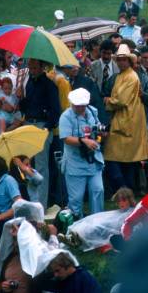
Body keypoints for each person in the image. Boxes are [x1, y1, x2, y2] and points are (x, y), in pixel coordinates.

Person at [104, 45, 148, 192]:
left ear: (129, 61)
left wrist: (108, 101)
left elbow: (121, 100)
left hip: (128, 120)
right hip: (123, 119)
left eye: (123, 59)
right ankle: (126, 191)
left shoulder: (131, 76)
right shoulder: (121, 76)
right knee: (123, 160)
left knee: (117, 159)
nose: (121, 62)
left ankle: (125, 190)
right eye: (118, 60)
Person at [17, 59, 60, 207]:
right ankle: (31, 200)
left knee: (41, 166)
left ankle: (41, 203)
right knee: (27, 165)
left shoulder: (49, 85)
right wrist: (21, 98)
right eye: (30, 67)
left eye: (35, 67)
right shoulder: (28, 83)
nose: (32, 70)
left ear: (42, 68)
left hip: (42, 125)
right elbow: (26, 107)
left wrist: (47, 128)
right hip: (29, 123)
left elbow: (56, 110)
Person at [59, 88, 104, 219]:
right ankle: (75, 228)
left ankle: (98, 222)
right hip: (74, 164)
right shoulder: (66, 117)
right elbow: (65, 138)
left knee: (98, 190)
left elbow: (97, 128)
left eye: (83, 105)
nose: (81, 108)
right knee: (76, 199)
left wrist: (100, 135)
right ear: (73, 104)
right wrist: (84, 141)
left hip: (93, 161)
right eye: (78, 106)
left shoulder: (92, 112)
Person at [59, 187, 136, 251]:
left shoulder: (132, 212)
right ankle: (73, 238)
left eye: (124, 200)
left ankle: (77, 239)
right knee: (91, 221)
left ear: (130, 200)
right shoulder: (120, 212)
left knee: (97, 227)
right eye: (119, 201)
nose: (121, 203)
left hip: (114, 228)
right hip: (111, 223)